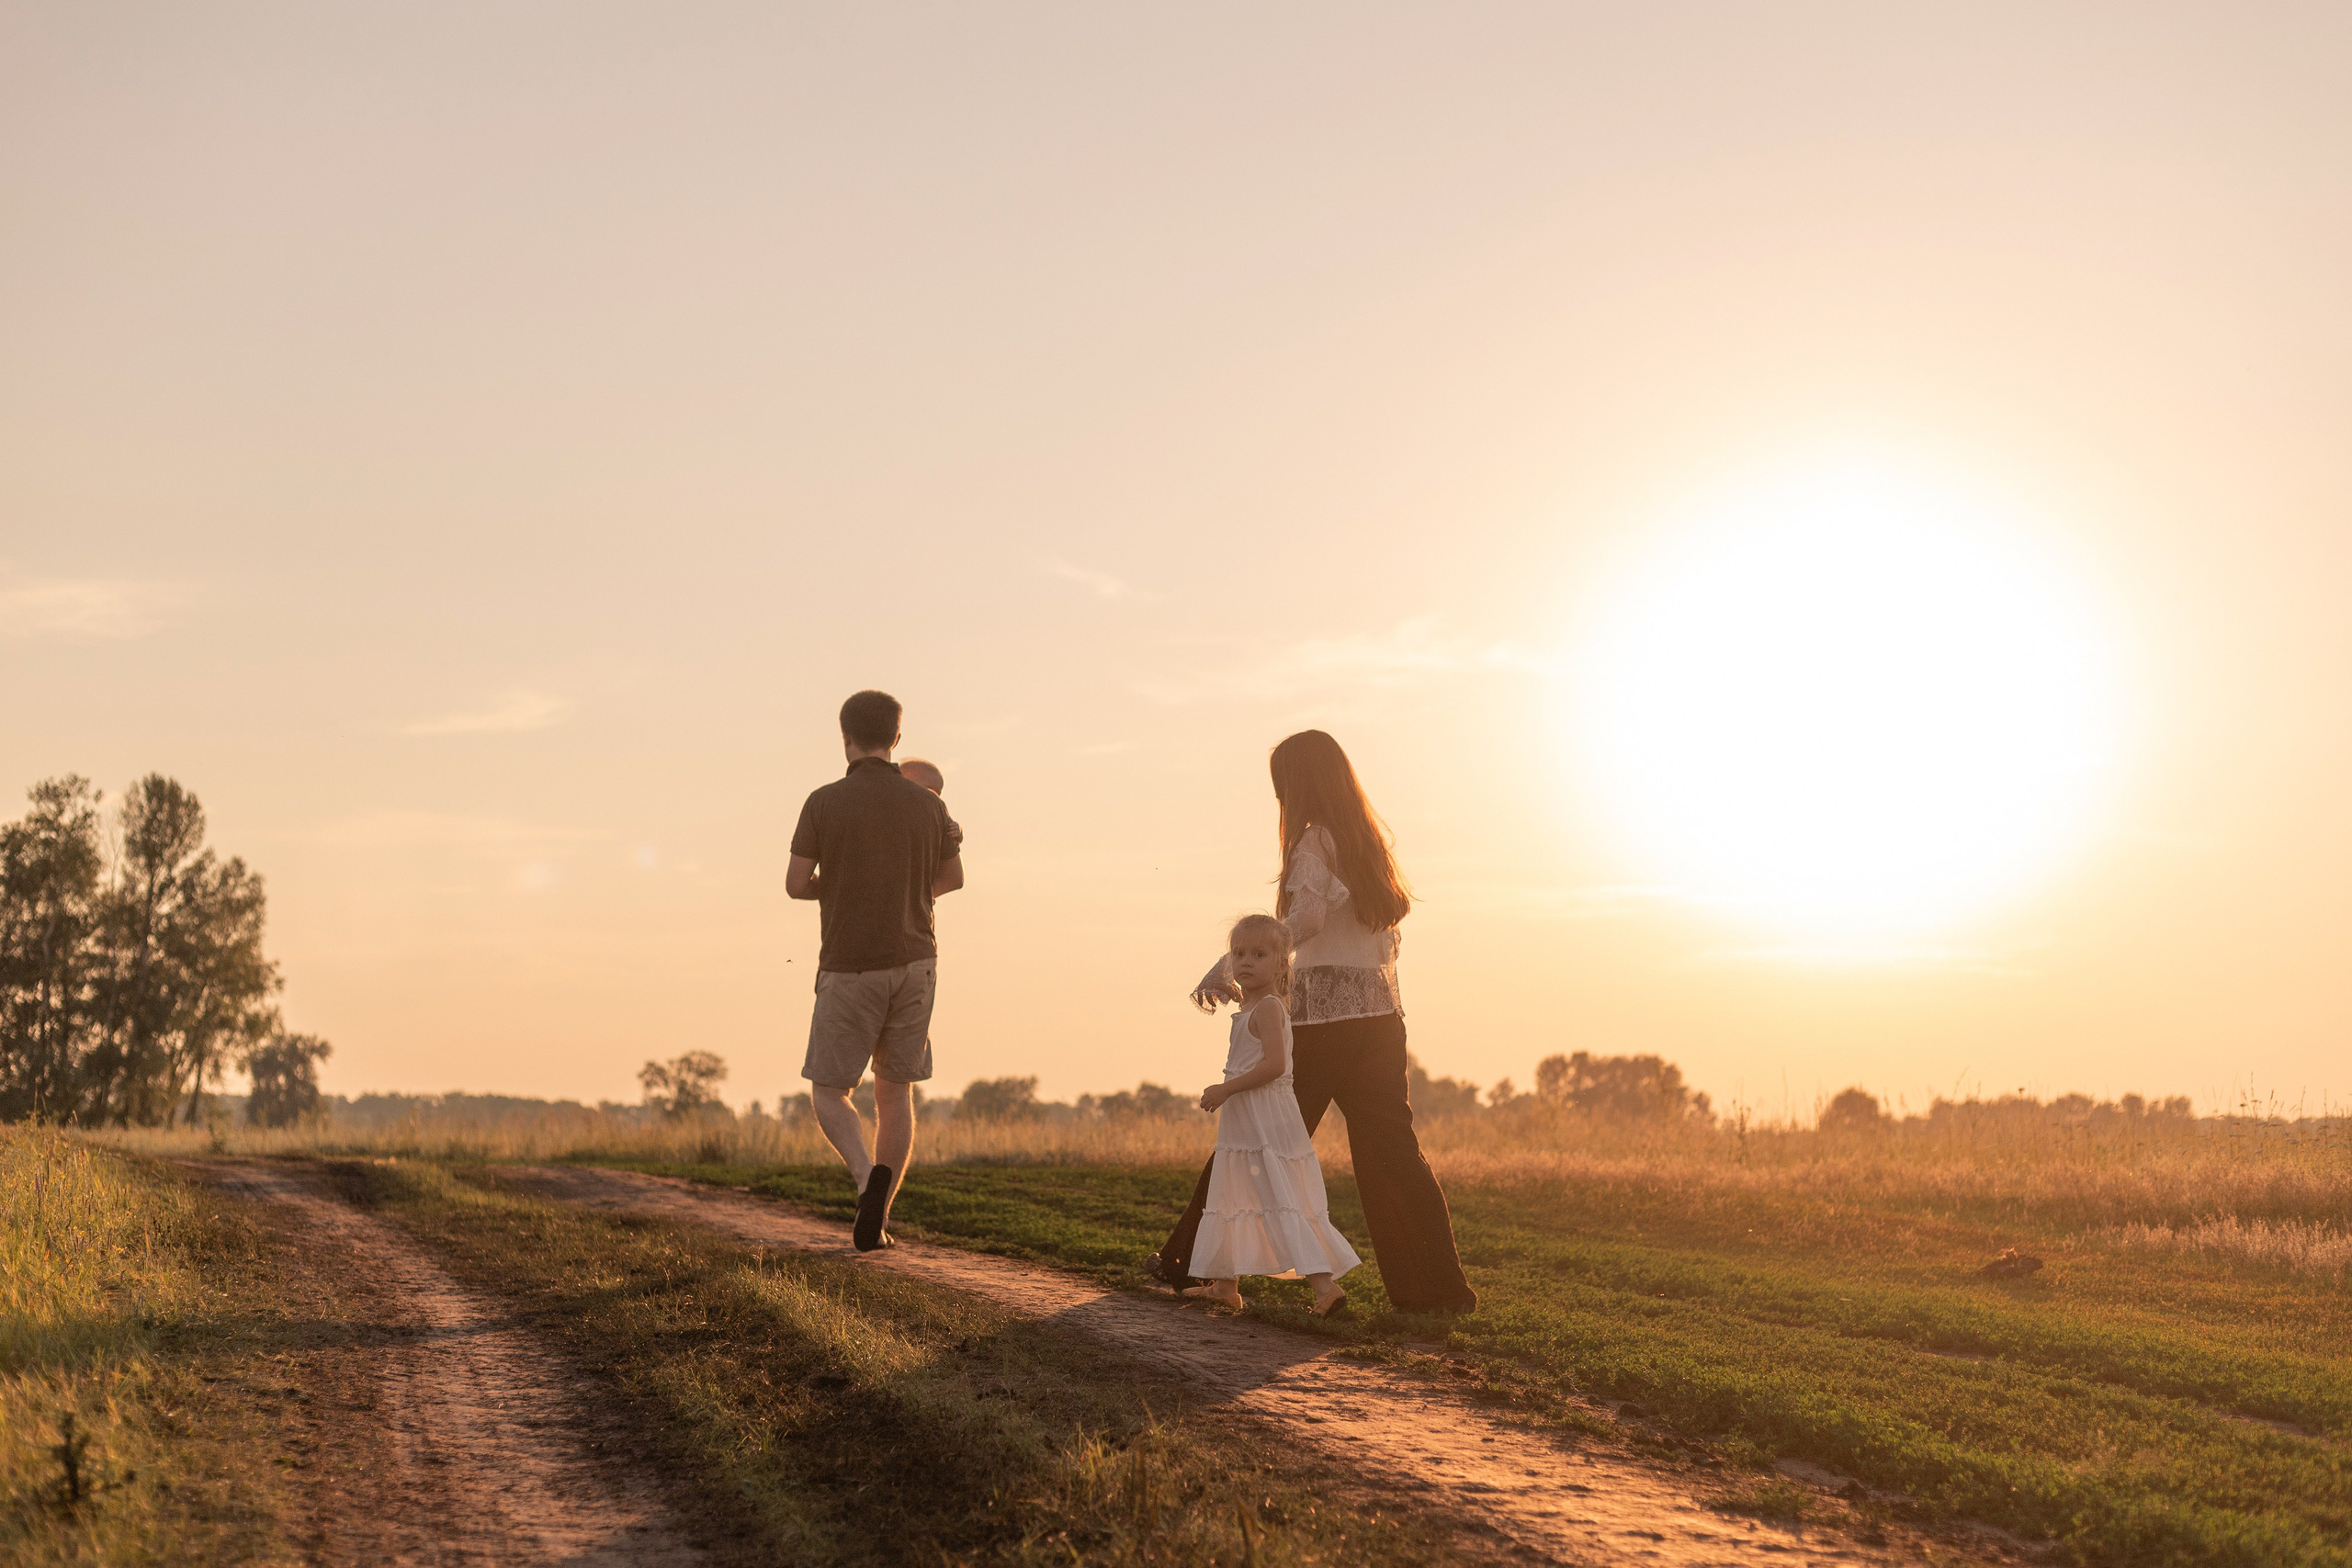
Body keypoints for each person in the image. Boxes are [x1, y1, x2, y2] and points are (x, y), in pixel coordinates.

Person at [1146, 730, 1478, 1314]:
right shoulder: (1367, 843)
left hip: (1320, 1025)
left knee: (1251, 1137)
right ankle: (1436, 1293)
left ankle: (1191, 1266)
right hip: (1379, 1021)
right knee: (1395, 1154)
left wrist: (1231, 963)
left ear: (1294, 785)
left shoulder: (1312, 842)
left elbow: (1308, 919)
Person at [786, 691, 965, 1251]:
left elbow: (795, 885)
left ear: (844, 735)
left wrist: (838, 890)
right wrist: (907, 894)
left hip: (850, 963)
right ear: (896, 738)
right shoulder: (929, 805)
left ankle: (866, 1180)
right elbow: (953, 877)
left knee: (829, 1090)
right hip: (917, 962)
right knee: (896, 1094)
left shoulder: (823, 802)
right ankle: (879, 1221)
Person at [1184, 914, 1358, 1316]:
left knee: (1279, 1194)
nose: (1246, 962)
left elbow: (1276, 1066)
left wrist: (1226, 1088)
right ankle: (1226, 1285)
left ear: (1282, 964)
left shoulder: (1267, 1008)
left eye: (1259, 955)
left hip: (1265, 1115)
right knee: (1236, 1191)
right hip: (1247, 1117)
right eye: (1239, 954)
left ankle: (1325, 1287)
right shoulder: (1251, 1007)